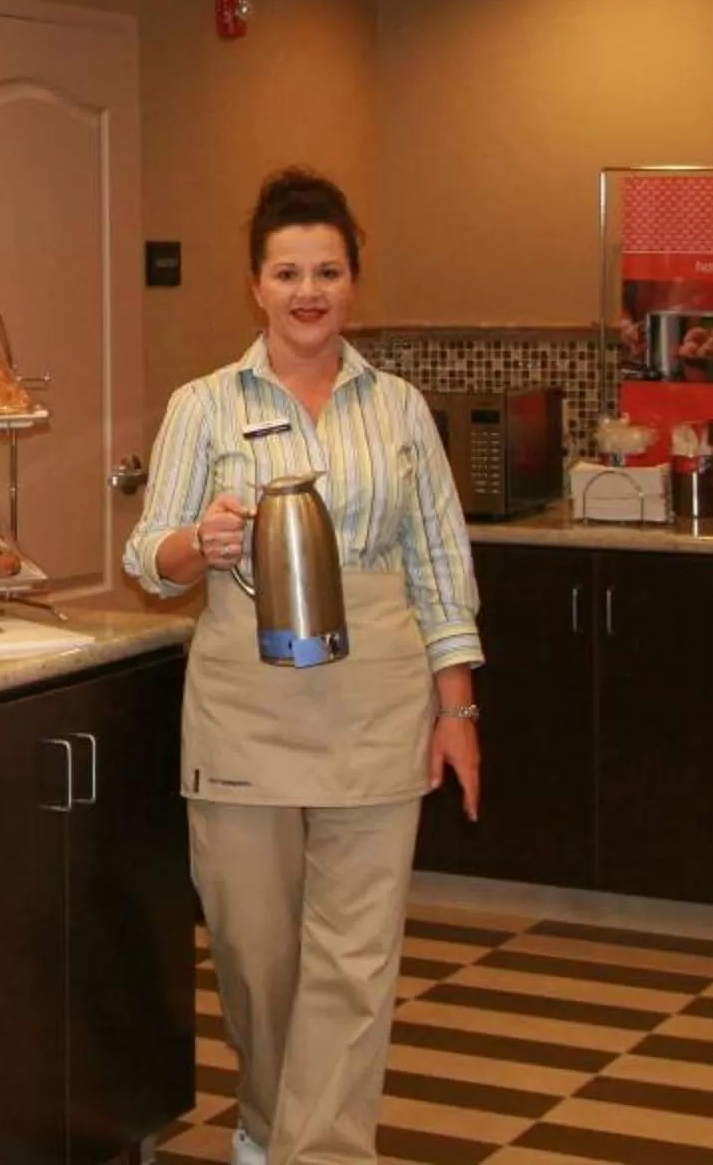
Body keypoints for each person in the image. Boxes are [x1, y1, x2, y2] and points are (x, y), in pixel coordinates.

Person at [122, 167, 482, 1165]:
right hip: (247, 700)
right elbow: (146, 557)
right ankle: (273, 1122)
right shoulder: (204, 405)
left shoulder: (401, 409)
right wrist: (202, 538)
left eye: (328, 268)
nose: (309, 289)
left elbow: (440, 564)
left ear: (354, 278)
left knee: (355, 954)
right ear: (256, 284)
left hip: (378, 694)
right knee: (254, 945)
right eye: (289, 270)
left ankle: (322, 1150)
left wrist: (457, 709)